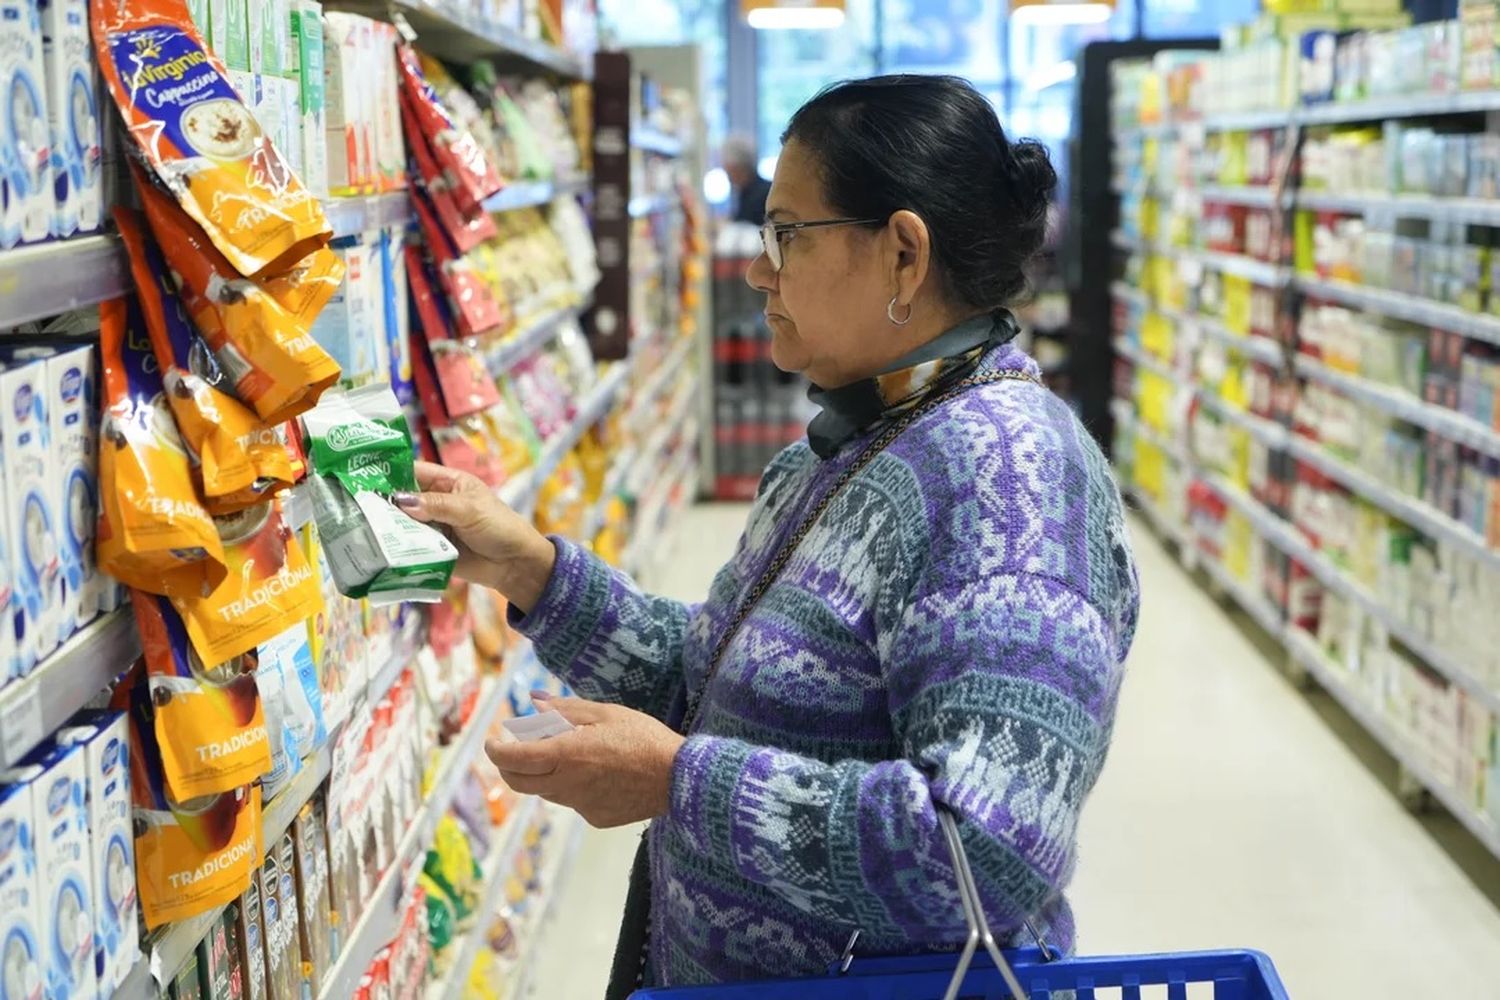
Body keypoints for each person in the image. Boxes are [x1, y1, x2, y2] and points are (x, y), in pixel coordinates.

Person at [396, 75, 1140, 995]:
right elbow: (725, 686)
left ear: (904, 255)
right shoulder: (859, 437)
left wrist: (678, 784)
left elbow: (983, 854)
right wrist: (534, 570)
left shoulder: (1011, 485)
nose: (758, 269)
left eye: (787, 234)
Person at [724, 132, 772, 225]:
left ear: (740, 169)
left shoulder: (763, 194)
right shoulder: (743, 193)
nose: (729, 179)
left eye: (730, 172)